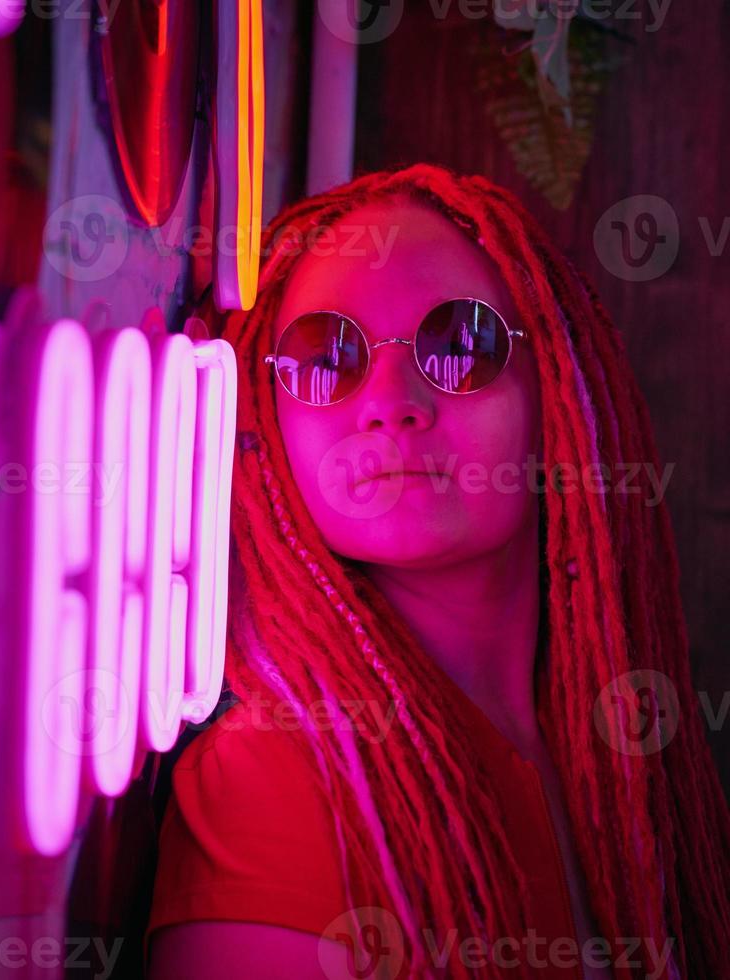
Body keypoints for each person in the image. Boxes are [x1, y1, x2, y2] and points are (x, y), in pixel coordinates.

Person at [145, 163, 730, 979]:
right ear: (265, 422)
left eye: (461, 344)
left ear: (561, 388)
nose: (389, 399)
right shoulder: (272, 779)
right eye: (326, 357)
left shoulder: (622, 758)